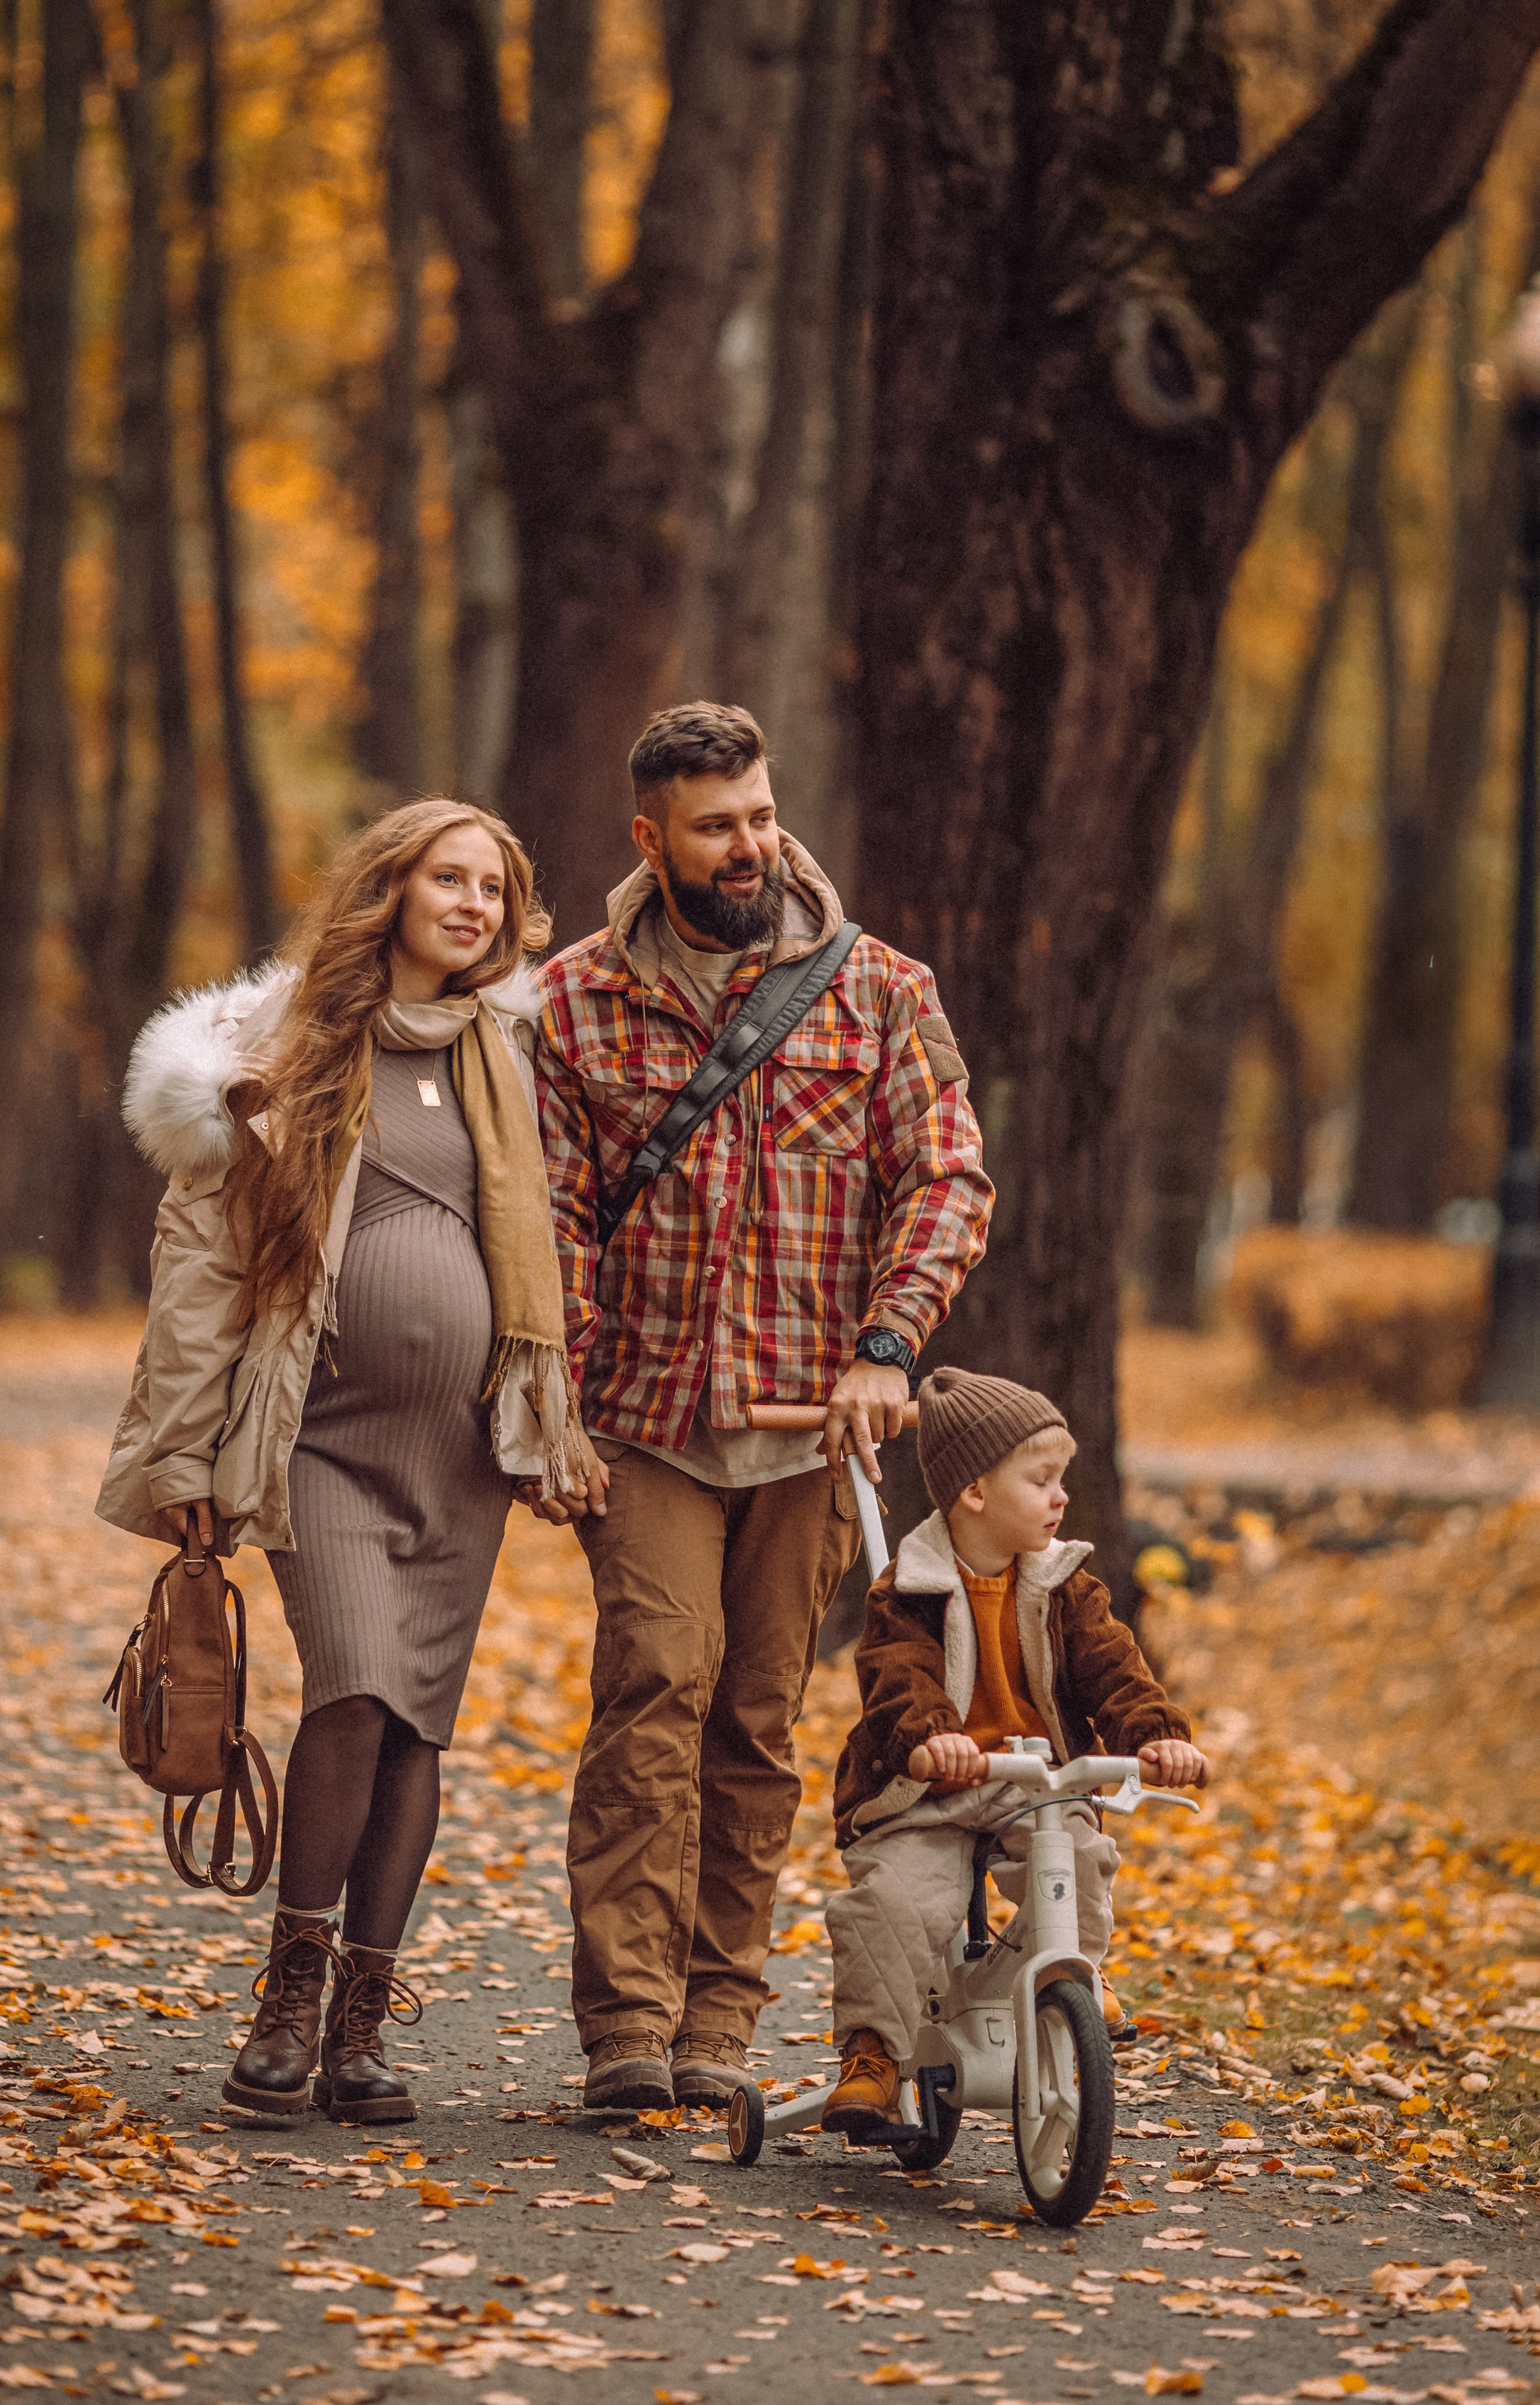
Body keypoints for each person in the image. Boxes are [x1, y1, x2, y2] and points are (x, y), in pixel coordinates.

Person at [97, 799, 588, 2129]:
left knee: (419, 1717)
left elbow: (550, 1236)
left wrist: (554, 1416)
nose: (476, 903)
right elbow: (203, 1263)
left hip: (460, 1452)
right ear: (391, 887)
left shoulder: (510, 1047)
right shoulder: (291, 1047)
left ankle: (363, 2021)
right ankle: (289, 1996)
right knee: (357, 1689)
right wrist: (186, 1449)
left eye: (496, 884)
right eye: (450, 877)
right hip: (318, 1431)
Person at [533, 701, 994, 2111]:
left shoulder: (878, 991)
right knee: (652, 1684)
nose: (745, 846)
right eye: (712, 826)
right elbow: (545, 1217)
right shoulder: (572, 1002)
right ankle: (625, 2022)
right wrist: (552, 1399)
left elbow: (945, 1180)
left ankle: (717, 2023)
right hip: (647, 1417)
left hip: (811, 1423)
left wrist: (884, 1344)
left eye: (756, 815)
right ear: (649, 838)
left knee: (752, 1717)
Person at [821, 1367, 1209, 2136]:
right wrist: (934, 1739)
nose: (1060, 1497)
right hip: (925, 1790)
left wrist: (1155, 1734)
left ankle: (1070, 1972)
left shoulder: (1067, 1584)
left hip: (1033, 1777)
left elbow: (1113, 1668)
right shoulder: (908, 1588)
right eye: (1041, 1480)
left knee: (1076, 1852)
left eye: (1060, 1479)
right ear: (974, 1491)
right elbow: (897, 1679)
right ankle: (873, 2051)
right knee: (893, 1906)